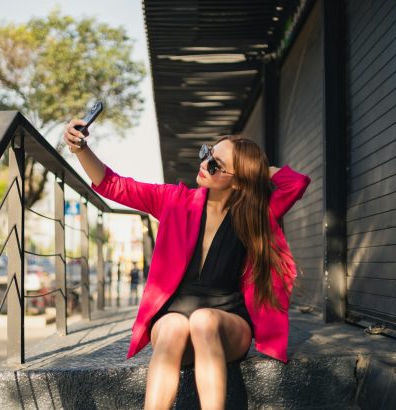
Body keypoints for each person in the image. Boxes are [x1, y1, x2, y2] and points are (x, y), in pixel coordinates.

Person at [63, 119, 311, 410]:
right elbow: (115, 185)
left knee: (204, 320)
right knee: (172, 327)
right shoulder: (175, 200)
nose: (205, 164)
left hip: (226, 324)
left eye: (216, 165)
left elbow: (296, 183)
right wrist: (81, 149)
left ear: (239, 179)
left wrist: (255, 170)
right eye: (207, 154)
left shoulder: (255, 212)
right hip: (176, 317)